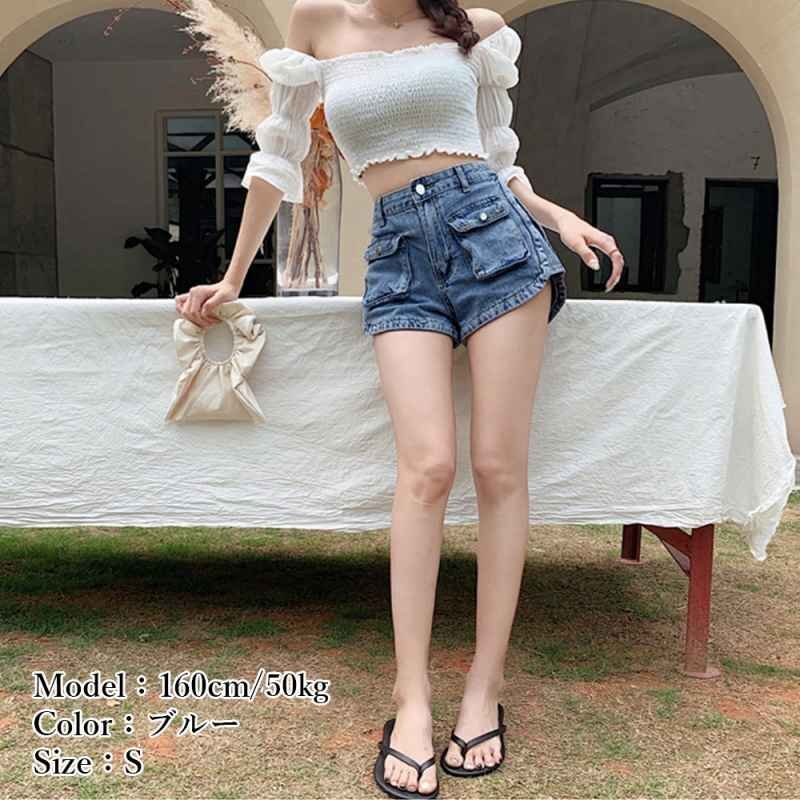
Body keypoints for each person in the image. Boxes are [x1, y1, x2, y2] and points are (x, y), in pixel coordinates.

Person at [176, 1, 624, 797]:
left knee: (498, 468)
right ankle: (410, 698)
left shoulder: (472, 27)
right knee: (426, 468)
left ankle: (483, 691)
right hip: (396, 252)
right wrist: (234, 275)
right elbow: (279, 157)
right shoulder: (316, 24)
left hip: (494, 236)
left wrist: (559, 217)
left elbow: (498, 157)